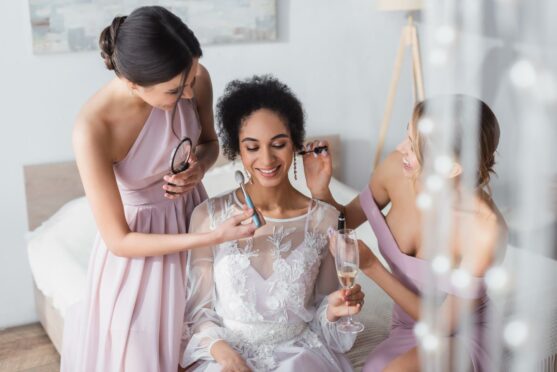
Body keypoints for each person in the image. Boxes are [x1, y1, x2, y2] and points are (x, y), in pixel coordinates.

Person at [61, 6, 256, 372]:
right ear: (132, 84)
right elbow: (119, 240)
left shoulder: (195, 80)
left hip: (194, 221)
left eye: (190, 78)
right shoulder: (93, 128)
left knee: (213, 343)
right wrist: (211, 238)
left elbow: (210, 144)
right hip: (140, 255)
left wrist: (199, 168)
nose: (186, 94)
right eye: (173, 90)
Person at [303, 95, 508, 371]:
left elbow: (443, 324)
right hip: (408, 325)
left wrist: (372, 265)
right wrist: (320, 191)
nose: (401, 148)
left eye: (414, 146)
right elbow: (344, 221)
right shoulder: (395, 169)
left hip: (460, 333)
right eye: (407, 135)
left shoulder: (484, 231)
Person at [181, 75, 364, 372]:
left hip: (299, 358)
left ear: (294, 144)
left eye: (278, 144)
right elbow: (197, 313)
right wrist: (224, 354)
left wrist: (334, 310)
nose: (266, 159)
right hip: (226, 358)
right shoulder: (208, 216)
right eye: (252, 147)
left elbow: (323, 318)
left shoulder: (323, 219)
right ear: (237, 150)